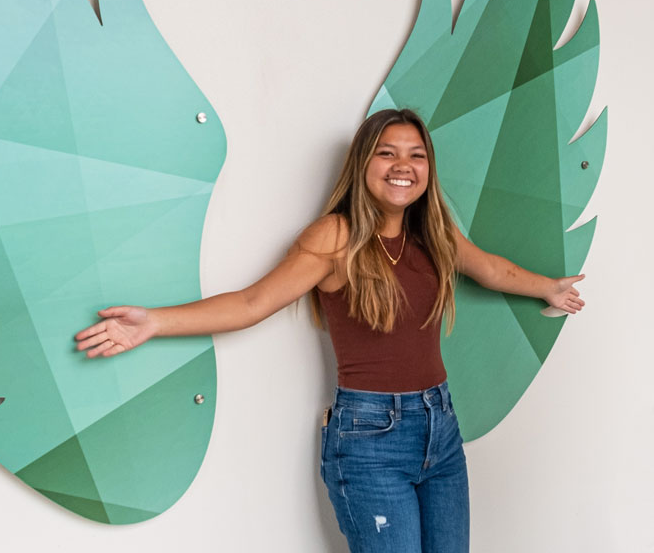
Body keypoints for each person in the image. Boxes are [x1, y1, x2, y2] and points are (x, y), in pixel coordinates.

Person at [73, 108, 585, 552]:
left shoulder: (433, 231)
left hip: (441, 425)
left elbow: (489, 268)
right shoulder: (335, 237)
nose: (403, 166)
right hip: (370, 439)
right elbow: (253, 302)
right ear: (363, 164)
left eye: (416, 155)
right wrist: (155, 322)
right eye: (387, 153)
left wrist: (547, 289)